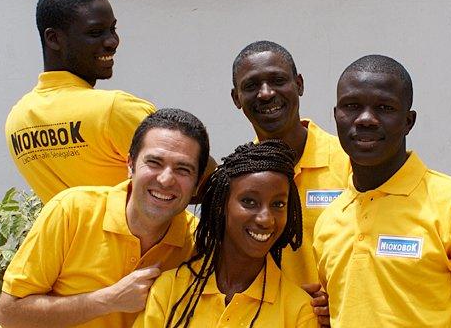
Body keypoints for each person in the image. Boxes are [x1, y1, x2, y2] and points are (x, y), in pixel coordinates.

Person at [313, 55, 451, 327]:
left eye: (384, 107)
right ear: (336, 116)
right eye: (352, 106)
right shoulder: (328, 221)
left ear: (408, 121)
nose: (366, 119)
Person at [0, 108, 210, 328]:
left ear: (197, 184)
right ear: (130, 165)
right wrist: (108, 300)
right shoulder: (72, 211)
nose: (166, 180)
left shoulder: (196, 242)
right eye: (154, 162)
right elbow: (9, 313)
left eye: (183, 169)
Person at [133, 140, 318, 328]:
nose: (266, 219)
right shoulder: (169, 290)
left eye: (278, 204)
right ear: (221, 205)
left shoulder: (299, 311)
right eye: (249, 201)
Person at [5, 0, 156, 203]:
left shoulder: (17, 120)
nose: (113, 41)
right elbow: (201, 181)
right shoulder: (115, 110)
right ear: (54, 39)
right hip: (137, 239)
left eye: (112, 29)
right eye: (96, 32)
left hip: (67, 239)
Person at [230, 41, 351, 314]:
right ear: (236, 98)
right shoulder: (238, 178)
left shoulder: (350, 164)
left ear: (299, 84)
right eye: (251, 86)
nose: (265, 93)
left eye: (278, 80)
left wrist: (345, 299)